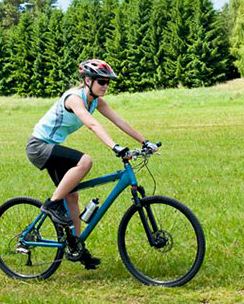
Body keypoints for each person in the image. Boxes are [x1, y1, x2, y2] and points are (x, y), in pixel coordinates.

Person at [25, 59, 159, 270]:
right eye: (101, 81)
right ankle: (51, 205)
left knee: (73, 196)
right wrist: (114, 146)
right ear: (88, 80)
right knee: (85, 161)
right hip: (39, 147)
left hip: (51, 148)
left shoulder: (96, 101)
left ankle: (77, 247)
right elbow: (92, 124)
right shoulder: (74, 99)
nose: (105, 86)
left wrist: (144, 141)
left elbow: (119, 121)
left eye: (107, 82)